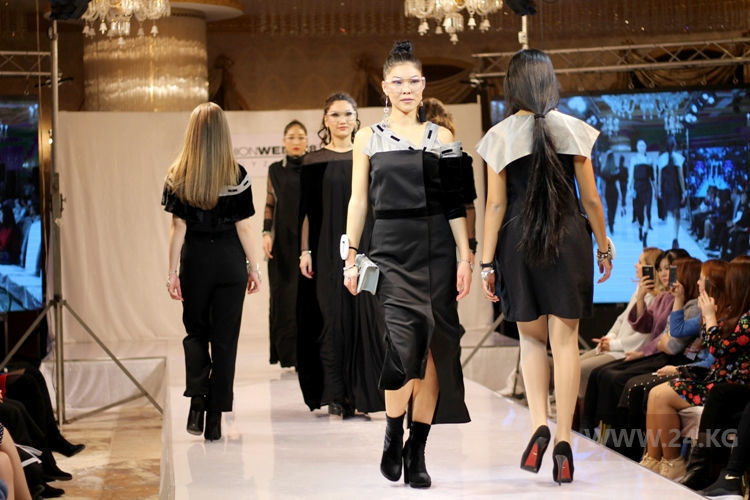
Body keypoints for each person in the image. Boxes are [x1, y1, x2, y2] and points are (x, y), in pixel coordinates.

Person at [477, 48, 611, 484]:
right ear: (549, 82)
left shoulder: (498, 136)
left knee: (531, 340)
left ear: (512, 85)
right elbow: (591, 199)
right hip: (568, 236)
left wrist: (485, 262)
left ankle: (538, 424)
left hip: (517, 241)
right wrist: (604, 246)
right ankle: (565, 440)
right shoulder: (572, 128)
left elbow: (495, 205)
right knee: (565, 342)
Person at [343, 40, 472, 489]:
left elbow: (456, 204)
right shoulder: (367, 138)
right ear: (384, 87)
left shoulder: (443, 138)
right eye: (397, 82)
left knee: (432, 350)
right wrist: (350, 256)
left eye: (413, 81)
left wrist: (465, 255)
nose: (406, 89)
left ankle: (417, 449)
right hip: (390, 252)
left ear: (423, 85)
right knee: (402, 348)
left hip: (437, 251)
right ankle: (392, 430)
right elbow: (359, 200)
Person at [163, 102, 261, 441]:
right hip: (230, 261)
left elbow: (178, 227)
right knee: (224, 340)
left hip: (195, 262)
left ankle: (197, 400)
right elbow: (244, 227)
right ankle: (215, 418)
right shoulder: (237, 175)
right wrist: (254, 268)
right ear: (223, 133)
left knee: (195, 333)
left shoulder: (178, 174)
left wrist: (172, 273)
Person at [299, 92, 385, 417]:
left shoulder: (369, 155)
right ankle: (337, 395)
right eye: (335, 114)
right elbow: (306, 213)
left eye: (348, 114)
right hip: (326, 250)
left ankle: (366, 394)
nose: (342, 120)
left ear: (356, 118)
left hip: (366, 247)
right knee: (332, 320)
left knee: (367, 318)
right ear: (325, 120)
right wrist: (305, 250)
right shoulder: (313, 160)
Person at [642, 258, 750, 480]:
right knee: (655, 393)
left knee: (661, 395)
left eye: (704, 279)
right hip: (715, 379)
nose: (700, 283)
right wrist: (683, 302)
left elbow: (717, 350)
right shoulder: (732, 310)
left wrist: (710, 317)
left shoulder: (745, 318)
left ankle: (673, 462)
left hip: (732, 386)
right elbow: (678, 331)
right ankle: (655, 458)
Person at [578, 247, 661, 400]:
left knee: (582, 369)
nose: (636, 265)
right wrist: (610, 337)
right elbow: (621, 319)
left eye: (640, 263)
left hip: (625, 352)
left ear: (650, 269)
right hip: (615, 346)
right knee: (575, 364)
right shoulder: (639, 291)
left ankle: (584, 411)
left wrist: (612, 345)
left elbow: (643, 338)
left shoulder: (655, 298)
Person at [263, 120, 313, 370]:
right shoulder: (275, 170)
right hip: (282, 243)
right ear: (283, 141)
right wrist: (265, 233)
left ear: (307, 141)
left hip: (310, 241)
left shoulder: (314, 166)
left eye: (300, 137)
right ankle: (288, 355)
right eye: (291, 137)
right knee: (284, 298)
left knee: (309, 297)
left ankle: (310, 354)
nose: (296, 142)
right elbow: (269, 203)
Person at [422, 97, 479, 259]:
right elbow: (468, 205)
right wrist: (471, 244)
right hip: (452, 231)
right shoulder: (463, 159)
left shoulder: (413, 159)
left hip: (424, 229)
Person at [657, 135, 687, 249]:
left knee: (670, 213)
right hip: (675, 188)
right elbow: (681, 177)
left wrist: (659, 190)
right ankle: (675, 237)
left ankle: (673, 238)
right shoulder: (678, 157)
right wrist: (684, 192)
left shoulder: (661, 158)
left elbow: (659, 177)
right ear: (674, 145)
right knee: (676, 213)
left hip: (666, 189)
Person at [630, 139, 656, 245]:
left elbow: (652, 177)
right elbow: (631, 175)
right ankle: (640, 228)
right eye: (639, 145)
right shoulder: (634, 159)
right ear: (637, 147)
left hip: (647, 187)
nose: (641, 147)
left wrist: (656, 190)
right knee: (639, 212)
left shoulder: (649, 160)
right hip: (637, 187)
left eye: (643, 145)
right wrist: (630, 188)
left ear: (645, 147)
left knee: (647, 210)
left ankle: (645, 235)